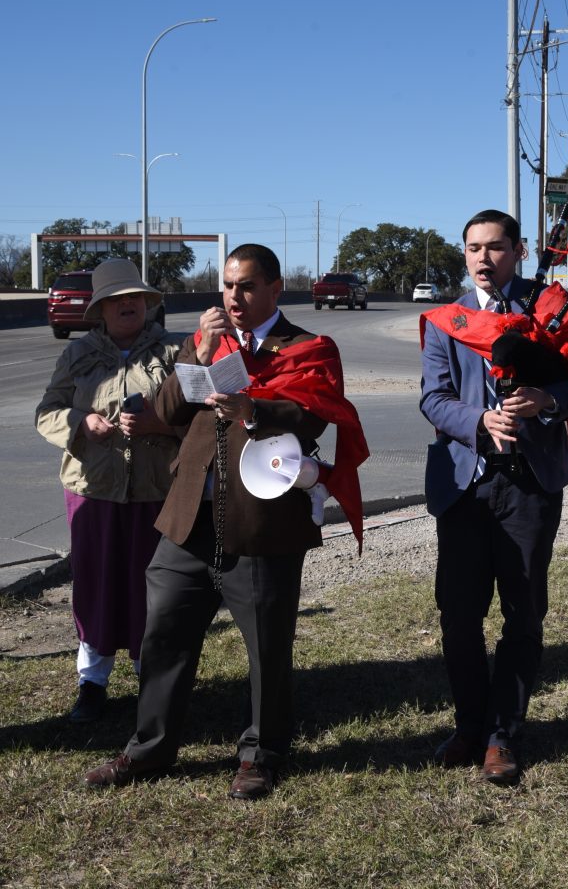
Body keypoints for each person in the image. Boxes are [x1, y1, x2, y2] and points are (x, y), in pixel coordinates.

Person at [84, 243, 367, 798]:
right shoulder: (204, 344)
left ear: (274, 289)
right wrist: (197, 354)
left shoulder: (309, 347)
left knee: (265, 646)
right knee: (162, 635)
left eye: (247, 287)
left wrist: (255, 409)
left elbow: (315, 415)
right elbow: (165, 413)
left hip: (261, 521)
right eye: (228, 287)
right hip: (190, 517)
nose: (234, 298)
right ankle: (150, 749)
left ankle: (261, 753)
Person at [420, 209, 568, 784]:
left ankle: (502, 735)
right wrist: (480, 420)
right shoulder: (445, 319)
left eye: (496, 247)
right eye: (473, 248)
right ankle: (469, 725)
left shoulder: (552, 310)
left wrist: (546, 401)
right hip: (464, 483)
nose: (484, 259)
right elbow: (433, 399)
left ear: (520, 251)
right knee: (459, 614)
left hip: (530, 483)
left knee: (523, 611)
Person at [36, 258, 182, 723]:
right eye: (116, 300)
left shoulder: (173, 353)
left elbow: (197, 416)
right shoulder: (77, 355)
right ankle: (92, 683)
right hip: (92, 489)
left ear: (147, 303)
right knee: (95, 586)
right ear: (100, 309)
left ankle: (151, 680)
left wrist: (156, 423)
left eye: (135, 298)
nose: (128, 306)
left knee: (150, 589)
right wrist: (82, 423)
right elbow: (46, 412)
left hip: (154, 490)